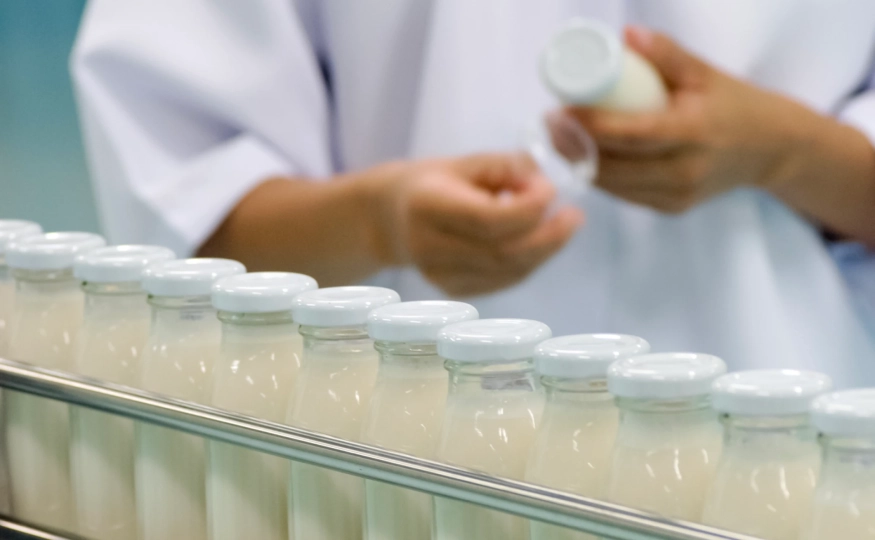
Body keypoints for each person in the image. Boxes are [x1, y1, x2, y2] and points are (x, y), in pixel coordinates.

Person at [71, 1, 875, 386]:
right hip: (401, 450)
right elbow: (185, 212)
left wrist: (791, 151)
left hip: (785, 445)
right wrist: (378, 223)